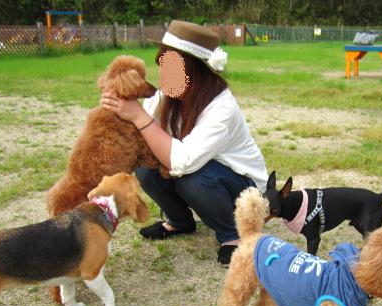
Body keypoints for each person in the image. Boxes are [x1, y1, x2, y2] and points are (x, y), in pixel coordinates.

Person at [101, 20, 268, 265]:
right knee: (146, 167)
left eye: (171, 67)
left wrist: (138, 116)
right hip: (203, 172)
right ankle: (179, 221)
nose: (163, 74)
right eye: (162, 64)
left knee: (193, 178)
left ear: (195, 72)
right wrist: (117, 107)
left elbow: (183, 161)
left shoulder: (221, 108)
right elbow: (145, 138)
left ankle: (233, 235)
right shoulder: (168, 95)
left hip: (244, 189)